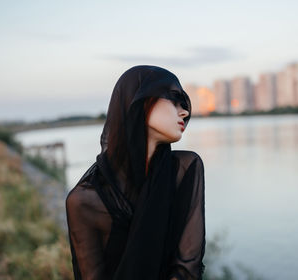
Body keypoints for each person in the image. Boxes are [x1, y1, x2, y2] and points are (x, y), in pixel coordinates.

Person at [65, 65, 206, 280]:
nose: (185, 111)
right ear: (140, 101)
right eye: (174, 99)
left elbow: (187, 268)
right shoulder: (84, 200)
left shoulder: (185, 169)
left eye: (184, 103)